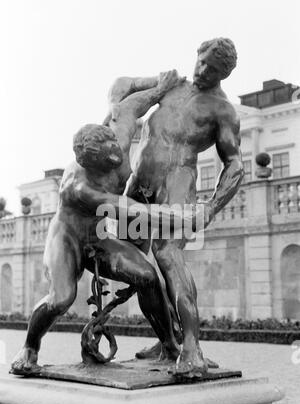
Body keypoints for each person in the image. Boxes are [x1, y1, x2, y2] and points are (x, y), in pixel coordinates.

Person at [11, 70, 193, 375]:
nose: (116, 157)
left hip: (97, 235)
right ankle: (29, 347)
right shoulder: (78, 186)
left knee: (147, 275)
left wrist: (160, 86)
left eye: (115, 149)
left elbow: (127, 94)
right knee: (61, 298)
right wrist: (179, 216)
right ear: (88, 163)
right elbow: (125, 206)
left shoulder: (116, 139)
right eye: (107, 157)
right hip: (67, 238)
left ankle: (170, 347)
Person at [123, 38, 244, 376]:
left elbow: (235, 164)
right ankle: (168, 342)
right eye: (202, 62)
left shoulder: (223, 110)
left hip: (176, 189)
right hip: (137, 186)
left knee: (167, 256)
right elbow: (123, 86)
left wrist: (212, 206)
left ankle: (192, 348)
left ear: (225, 75)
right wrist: (153, 86)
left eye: (213, 70)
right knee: (130, 263)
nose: (203, 71)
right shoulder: (171, 85)